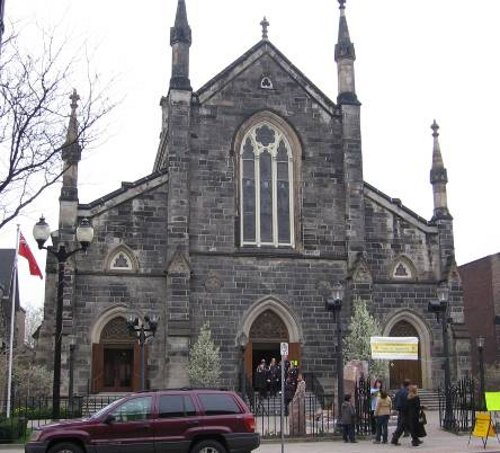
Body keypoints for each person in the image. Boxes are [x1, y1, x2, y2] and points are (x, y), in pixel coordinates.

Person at [391, 378, 411, 445]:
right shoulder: (407, 392)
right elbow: (408, 402)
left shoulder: (399, 392)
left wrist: (395, 408)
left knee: (403, 425)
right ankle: (395, 439)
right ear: (408, 385)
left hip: (401, 410)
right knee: (402, 425)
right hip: (406, 411)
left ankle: (415, 439)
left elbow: (396, 400)